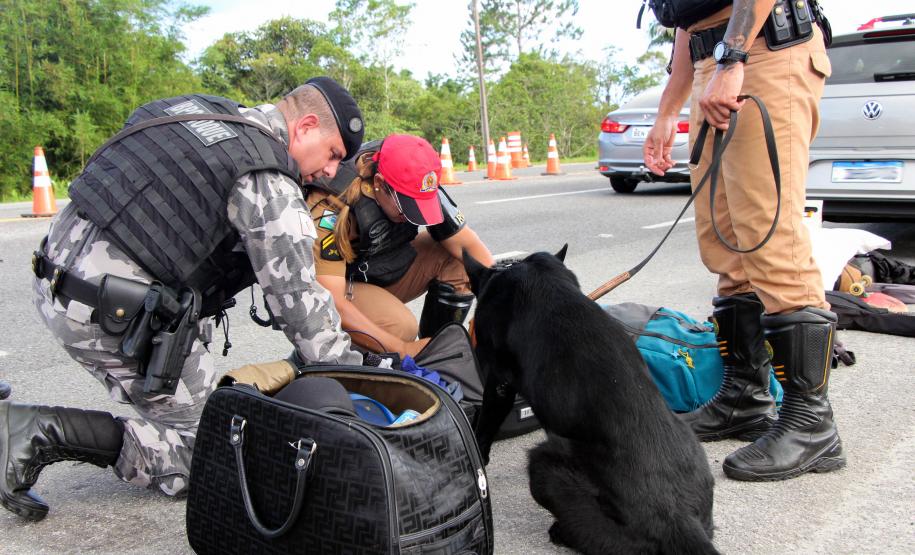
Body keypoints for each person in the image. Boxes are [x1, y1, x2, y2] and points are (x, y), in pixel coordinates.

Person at [1, 77, 367, 521]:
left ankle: (167, 408)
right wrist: (357, 378)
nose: (331, 172)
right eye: (332, 155)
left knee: (194, 392)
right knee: (214, 449)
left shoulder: (198, 110)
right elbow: (301, 308)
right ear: (306, 125)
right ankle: (36, 432)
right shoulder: (267, 177)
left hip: (52, 279)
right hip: (108, 316)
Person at [643, 0, 844, 481]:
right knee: (726, 244)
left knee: (769, 237)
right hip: (713, 59)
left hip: (763, 50)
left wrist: (734, 60)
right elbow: (687, 16)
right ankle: (744, 396)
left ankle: (811, 422)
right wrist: (669, 108)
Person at [305, 134, 494, 359]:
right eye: (408, 208)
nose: (411, 216)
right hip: (333, 289)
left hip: (378, 268)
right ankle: (332, 364)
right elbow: (330, 299)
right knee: (399, 327)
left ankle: (436, 352)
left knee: (459, 260)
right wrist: (403, 349)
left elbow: (470, 246)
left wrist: (501, 298)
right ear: (379, 184)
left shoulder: (415, 180)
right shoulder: (330, 207)